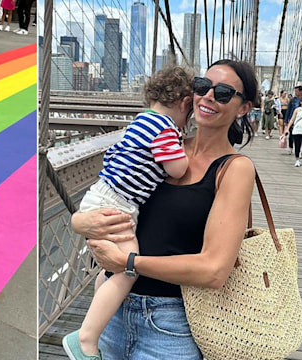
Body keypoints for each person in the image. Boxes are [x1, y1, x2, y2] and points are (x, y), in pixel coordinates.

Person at [71, 59, 257, 360]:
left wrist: (129, 261)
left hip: (170, 324)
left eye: (223, 93)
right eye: (202, 86)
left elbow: (214, 270)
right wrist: (79, 222)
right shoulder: (162, 145)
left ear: (243, 108)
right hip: (111, 314)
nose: (208, 96)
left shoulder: (234, 169)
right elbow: (114, 192)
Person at [62, 66, 193, 360]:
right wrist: (181, 145)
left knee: (111, 271)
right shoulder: (165, 130)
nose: (188, 122)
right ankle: (85, 339)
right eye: (190, 114)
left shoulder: (141, 120)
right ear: (185, 103)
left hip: (102, 195)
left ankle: (100, 320)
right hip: (117, 206)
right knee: (127, 268)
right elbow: (178, 169)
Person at [284, 85, 302, 154]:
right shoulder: (293, 100)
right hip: (292, 119)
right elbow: (288, 110)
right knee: (291, 134)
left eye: (297, 91)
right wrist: (286, 120)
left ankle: (299, 148)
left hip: (301, 120)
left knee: (300, 135)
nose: (295, 92)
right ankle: (290, 147)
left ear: (301, 92)